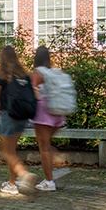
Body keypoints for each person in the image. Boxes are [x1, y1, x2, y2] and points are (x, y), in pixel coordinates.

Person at [0, 45, 39, 195]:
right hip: (22, 117)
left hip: (9, 116)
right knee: (11, 150)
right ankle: (11, 184)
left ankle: (25, 176)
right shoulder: (24, 75)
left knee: (5, 150)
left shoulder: (2, 75)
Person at [30, 46, 67, 192]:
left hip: (44, 112)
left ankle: (49, 181)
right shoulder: (54, 71)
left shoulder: (38, 73)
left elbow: (32, 91)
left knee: (43, 147)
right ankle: (53, 173)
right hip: (58, 110)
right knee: (47, 145)